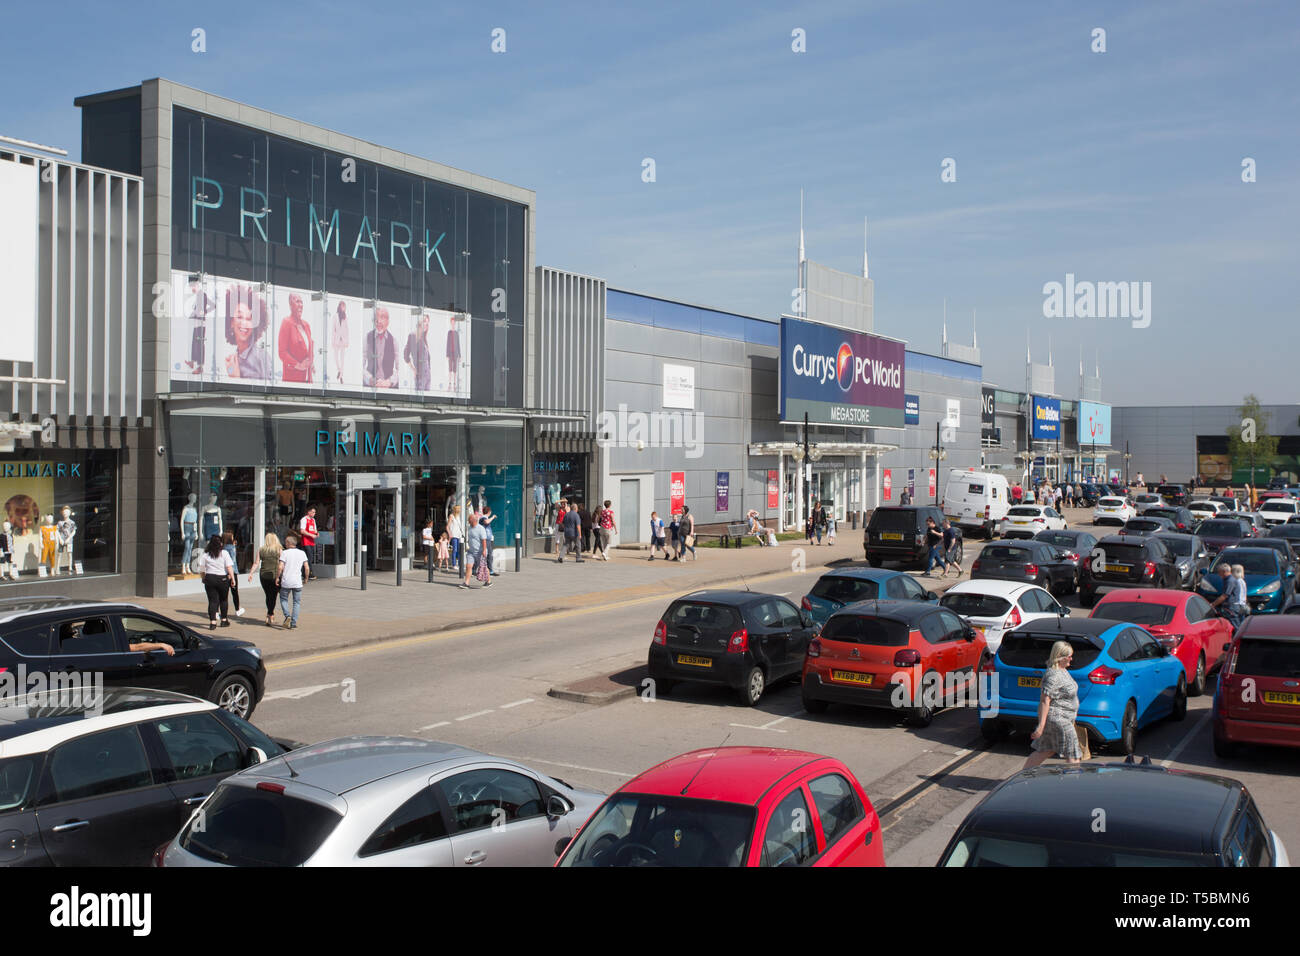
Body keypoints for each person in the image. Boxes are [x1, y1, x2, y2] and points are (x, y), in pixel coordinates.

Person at [1023, 640, 1083, 769]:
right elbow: (1045, 701)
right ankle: (1075, 783)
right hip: (1059, 720)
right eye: (1069, 656)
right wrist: (1041, 726)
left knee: (1046, 749)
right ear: (1060, 657)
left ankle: (1023, 777)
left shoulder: (1062, 670)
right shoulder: (1054, 675)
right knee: (1073, 754)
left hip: (1061, 718)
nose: (1071, 659)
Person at [223, 287, 269, 380]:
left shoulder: (261, 357)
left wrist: (236, 378)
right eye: (239, 317)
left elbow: (267, 391)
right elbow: (231, 373)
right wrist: (231, 369)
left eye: (249, 319)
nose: (244, 323)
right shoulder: (234, 357)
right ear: (231, 321)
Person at [199, 534, 236, 629]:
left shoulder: (206, 555)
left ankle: (213, 622)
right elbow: (229, 567)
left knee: (212, 601)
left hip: (210, 578)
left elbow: (202, 569)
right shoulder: (224, 553)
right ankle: (224, 620)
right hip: (222, 579)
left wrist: (203, 578)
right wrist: (232, 578)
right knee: (223, 600)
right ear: (220, 543)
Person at [247, 532, 283, 627]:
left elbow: (256, 563)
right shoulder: (278, 549)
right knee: (273, 596)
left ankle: (270, 614)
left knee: (268, 595)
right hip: (274, 576)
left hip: (263, 576)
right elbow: (282, 563)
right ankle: (270, 614)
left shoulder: (261, 550)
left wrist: (251, 573)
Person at [275, 534, 310, 629]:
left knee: (283, 599)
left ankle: (287, 616)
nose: (285, 544)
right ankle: (293, 623)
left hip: (286, 581)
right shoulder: (302, 553)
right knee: (296, 602)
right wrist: (306, 578)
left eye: (286, 542)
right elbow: (306, 567)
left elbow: (280, 567)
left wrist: (277, 577)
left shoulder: (285, 553)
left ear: (288, 543)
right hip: (297, 581)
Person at [278, 292, 314, 383]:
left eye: (302, 302)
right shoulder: (286, 322)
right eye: (297, 302)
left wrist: (311, 362)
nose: (300, 305)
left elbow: (310, 347)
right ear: (290, 304)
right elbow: (282, 352)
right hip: (293, 379)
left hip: (308, 378)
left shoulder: (306, 325)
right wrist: (298, 365)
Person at [363, 306, 398, 388]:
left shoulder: (394, 341)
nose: (378, 321)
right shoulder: (367, 338)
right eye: (376, 318)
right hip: (370, 387)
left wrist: (389, 382)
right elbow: (359, 365)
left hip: (388, 388)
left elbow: (400, 369)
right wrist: (370, 379)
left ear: (388, 321)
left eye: (382, 317)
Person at [461, 513, 492, 588]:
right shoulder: (469, 528)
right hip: (471, 551)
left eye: (469, 520)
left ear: (473, 520)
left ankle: (488, 581)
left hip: (480, 552)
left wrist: (484, 550)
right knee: (468, 566)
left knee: (484, 567)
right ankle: (466, 583)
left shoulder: (480, 529)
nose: (468, 521)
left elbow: (484, 540)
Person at [404, 313, 432, 391]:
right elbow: (406, 355)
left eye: (428, 322)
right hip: (420, 375)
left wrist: (429, 371)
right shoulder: (413, 335)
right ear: (419, 323)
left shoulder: (424, 337)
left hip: (427, 376)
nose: (427, 324)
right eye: (424, 321)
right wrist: (414, 369)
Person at [222, 531, 245, 617]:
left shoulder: (222, 548)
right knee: (234, 592)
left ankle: (220, 611)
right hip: (232, 572)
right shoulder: (231, 548)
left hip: (224, 572)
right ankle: (237, 609)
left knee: (224, 594)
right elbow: (232, 561)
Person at [481, 505, 498, 575]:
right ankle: (485, 570)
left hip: (488, 538)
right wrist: (493, 517)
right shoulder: (483, 518)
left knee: (490, 555)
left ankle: (489, 570)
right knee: (487, 554)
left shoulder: (485, 517)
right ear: (489, 512)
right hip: (485, 539)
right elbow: (486, 522)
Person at [447, 505, 463, 574]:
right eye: (459, 509)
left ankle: (459, 564)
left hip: (459, 535)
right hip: (453, 535)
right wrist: (450, 534)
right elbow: (447, 526)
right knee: (455, 550)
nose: (460, 510)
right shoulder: (451, 516)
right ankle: (454, 564)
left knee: (459, 550)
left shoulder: (459, 517)